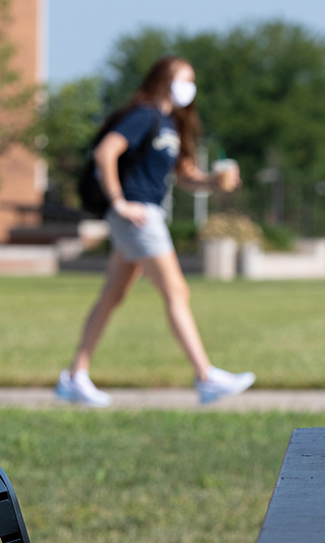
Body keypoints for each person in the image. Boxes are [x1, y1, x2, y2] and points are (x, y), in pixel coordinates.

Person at [56, 56, 255, 407]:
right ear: (165, 80)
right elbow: (106, 152)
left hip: (145, 214)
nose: (189, 89)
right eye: (185, 80)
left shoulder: (170, 124)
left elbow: (186, 176)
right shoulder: (145, 115)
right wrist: (119, 201)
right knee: (176, 290)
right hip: (138, 215)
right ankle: (206, 377)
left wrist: (213, 181)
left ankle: (75, 376)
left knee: (112, 296)